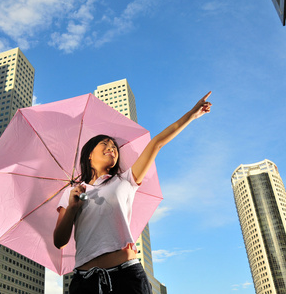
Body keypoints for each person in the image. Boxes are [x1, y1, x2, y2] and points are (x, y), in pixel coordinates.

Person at [53, 92, 212, 294]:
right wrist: (73, 208)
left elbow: (157, 143)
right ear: (89, 154)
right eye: (105, 144)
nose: (112, 148)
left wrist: (191, 115)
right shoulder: (71, 192)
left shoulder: (125, 180)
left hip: (126, 276)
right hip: (85, 282)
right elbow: (59, 240)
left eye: (114, 147)